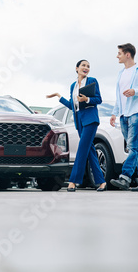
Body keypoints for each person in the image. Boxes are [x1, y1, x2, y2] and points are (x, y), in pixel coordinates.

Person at [47, 60, 107, 192]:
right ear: (77, 68)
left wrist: (86, 99)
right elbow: (72, 106)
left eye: (88, 66)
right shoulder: (73, 86)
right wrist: (59, 96)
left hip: (90, 119)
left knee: (82, 149)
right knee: (90, 151)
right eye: (83, 65)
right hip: (79, 120)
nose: (86, 68)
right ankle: (101, 182)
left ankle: (73, 181)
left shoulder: (92, 80)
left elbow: (99, 99)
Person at [109, 43, 138, 192]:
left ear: (127, 54)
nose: (117, 56)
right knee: (137, 148)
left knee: (133, 147)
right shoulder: (120, 73)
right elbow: (119, 96)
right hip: (124, 115)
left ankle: (125, 177)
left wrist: (135, 91)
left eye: (119, 53)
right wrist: (114, 113)